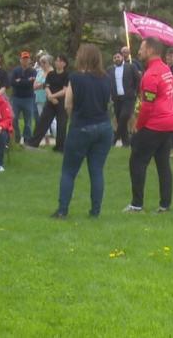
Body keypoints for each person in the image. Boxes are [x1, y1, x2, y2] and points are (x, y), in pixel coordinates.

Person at [51, 44, 113, 218]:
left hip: (82, 126)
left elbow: (68, 103)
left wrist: (75, 118)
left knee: (69, 171)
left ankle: (63, 210)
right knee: (97, 170)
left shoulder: (76, 78)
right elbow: (107, 102)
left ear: (82, 57)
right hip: (103, 127)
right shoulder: (106, 78)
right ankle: (95, 211)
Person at [124, 38, 173, 213]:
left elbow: (147, 106)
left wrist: (139, 126)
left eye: (142, 48)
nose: (139, 52)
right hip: (169, 122)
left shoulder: (151, 74)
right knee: (163, 164)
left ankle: (136, 204)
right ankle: (165, 204)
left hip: (155, 123)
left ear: (151, 50)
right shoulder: (166, 70)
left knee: (137, 161)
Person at [26, 54, 69, 151]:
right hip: (50, 100)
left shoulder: (66, 75)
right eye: (56, 60)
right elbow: (46, 86)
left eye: (59, 61)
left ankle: (60, 146)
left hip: (61, 101)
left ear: (64, 64)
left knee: (61, 124)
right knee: (43, 121)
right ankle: (33, 143)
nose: (57, 62)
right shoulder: (51, 74)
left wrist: (53, 96)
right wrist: (50, 96)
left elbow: (65, 90)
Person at [108, 51, 141, 148]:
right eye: (114, 58)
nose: (116, 59)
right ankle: (126, 142)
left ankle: (113, 139)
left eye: (118, 57)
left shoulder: (130, 67)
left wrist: (136, 91)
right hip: (116, 98)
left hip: (129, 98)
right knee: (119, 119)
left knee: (124, 116)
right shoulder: (109, 69)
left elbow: (138, 79)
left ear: (122, 57)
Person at [9, 51, 38, 143]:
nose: (25, 60)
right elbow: (12, 82)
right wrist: (25, 81)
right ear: (20, 60)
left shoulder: (33, 71)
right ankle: (17, 138)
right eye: (23, 59)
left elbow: (31, 84)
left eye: (27, 59)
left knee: (28, 121)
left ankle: (27, 139)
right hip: (16, 98)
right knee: (13, 118)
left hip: (28, 98)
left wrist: (20, 81)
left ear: (29, 60)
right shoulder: (15, 70)